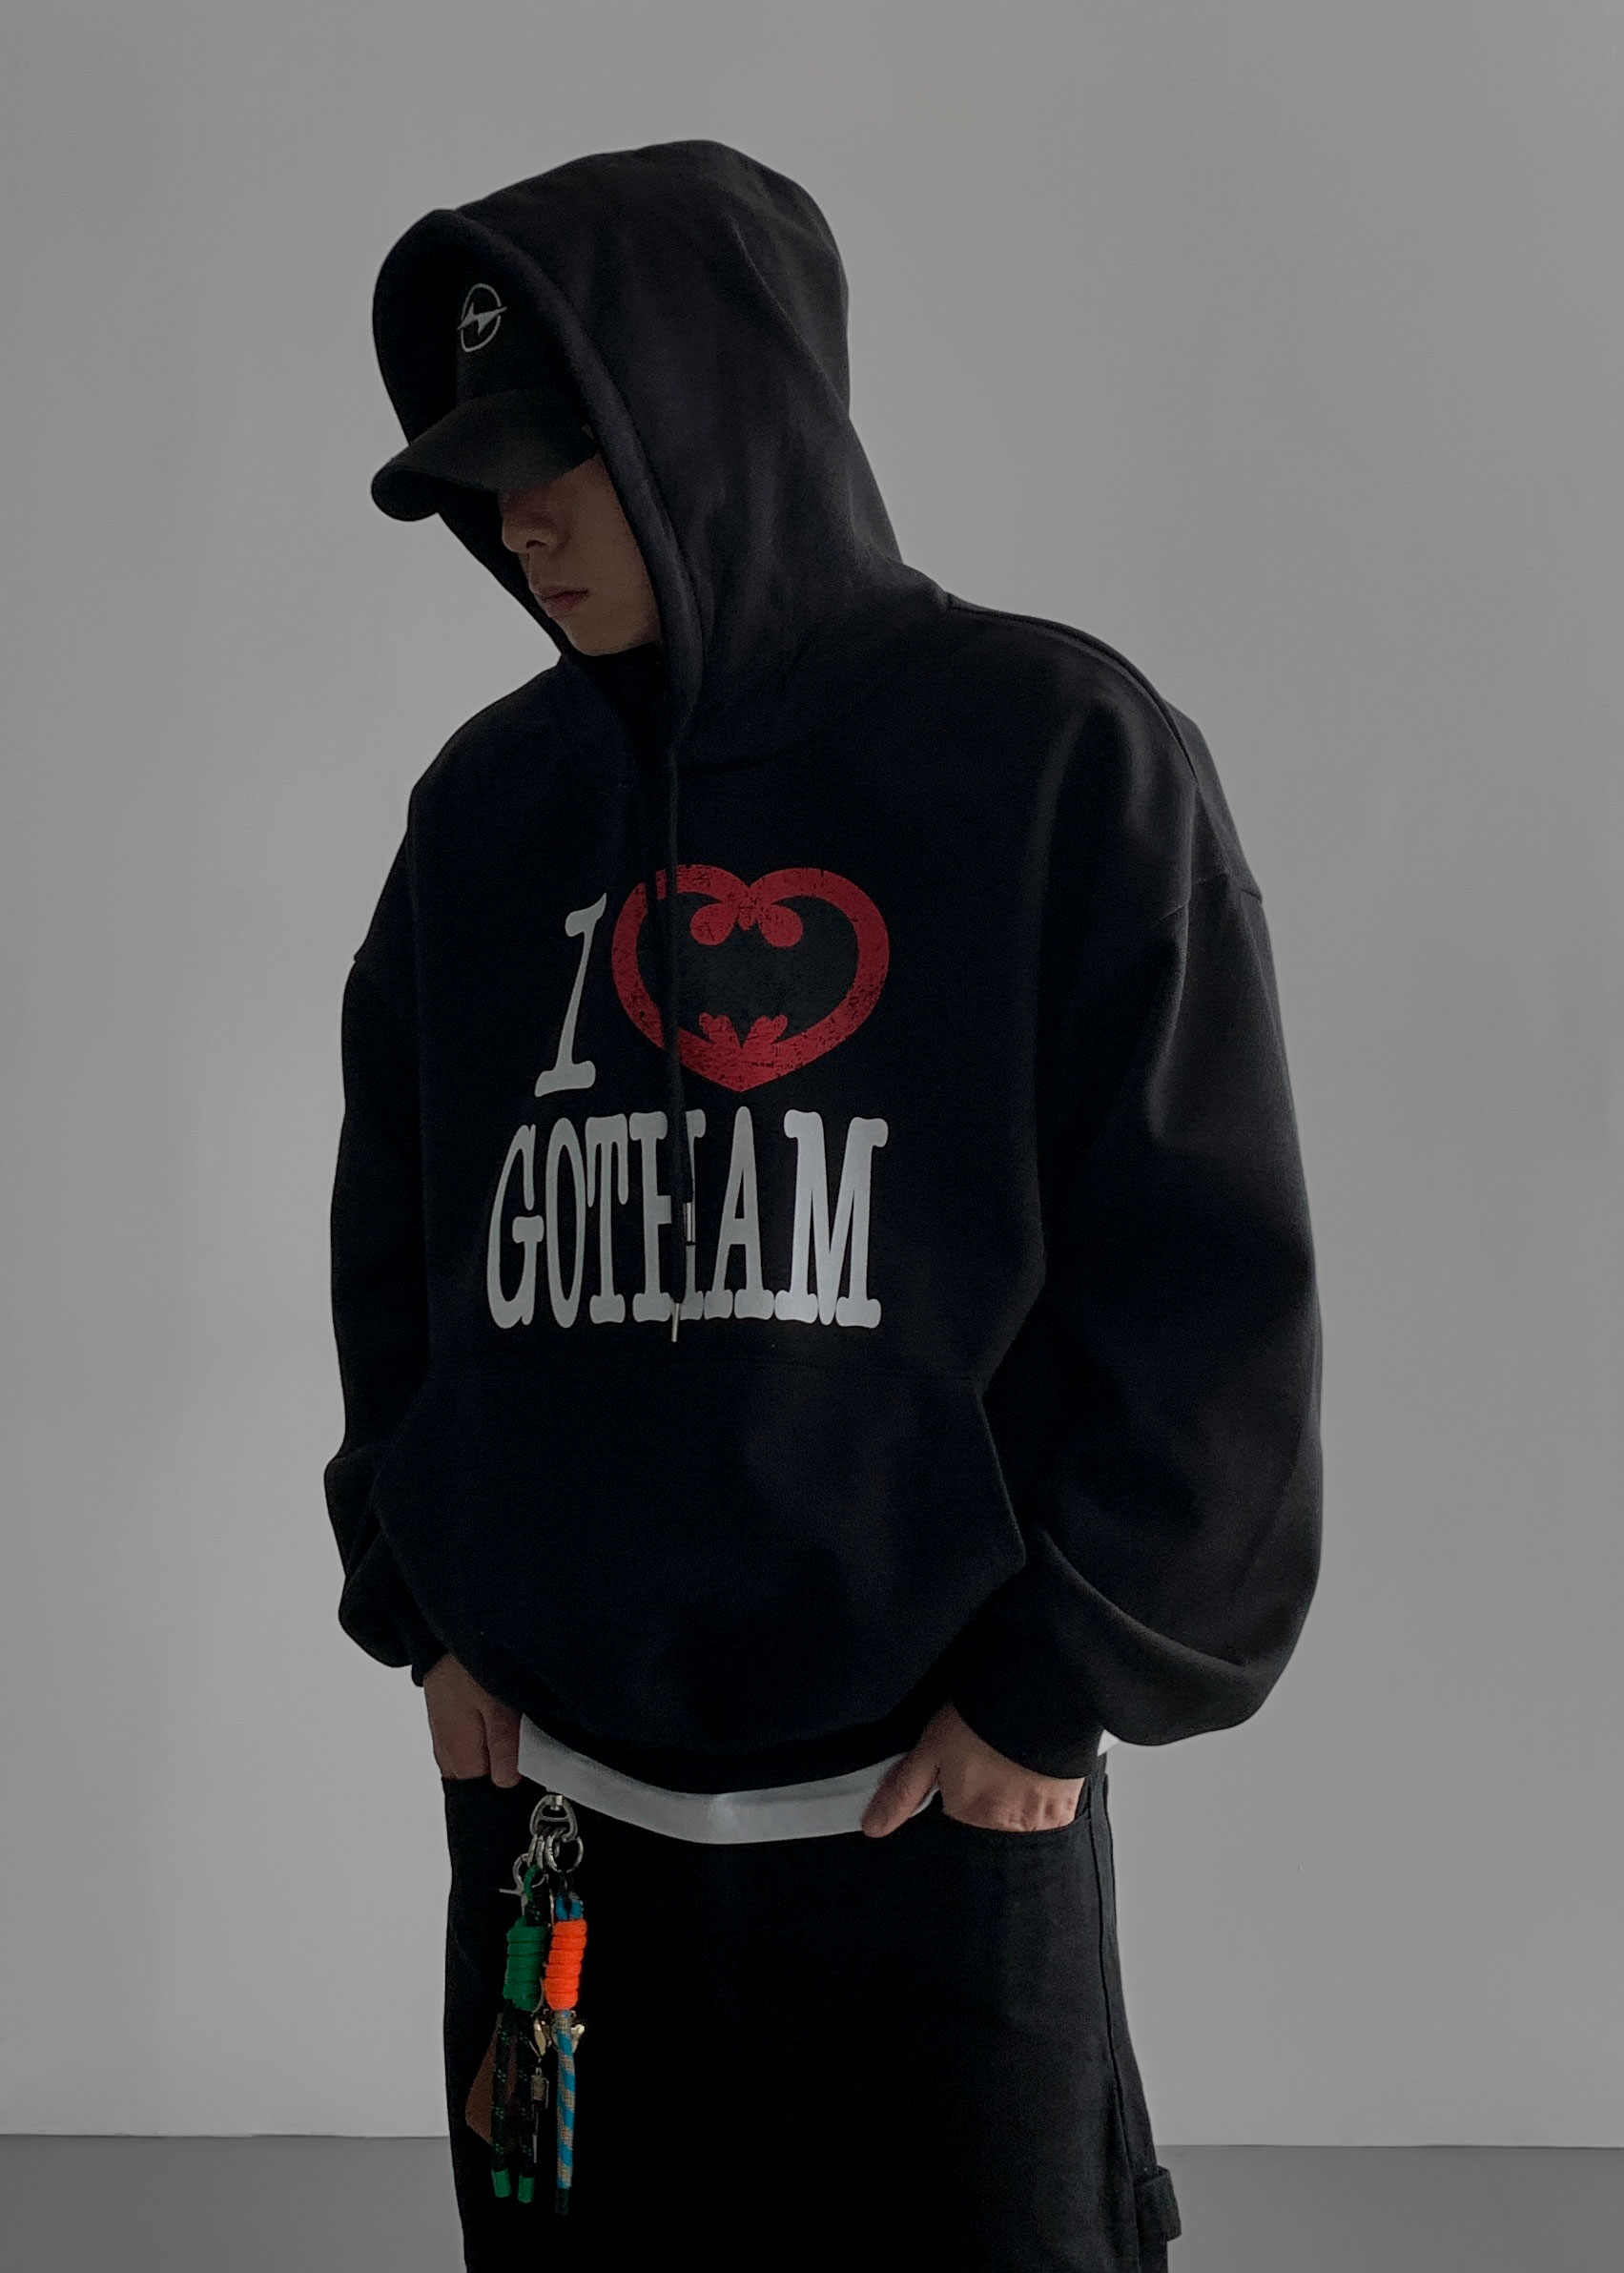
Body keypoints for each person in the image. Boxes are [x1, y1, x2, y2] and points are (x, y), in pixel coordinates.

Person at [325, 137, 1322, 2272]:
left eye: (561, 458)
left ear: (717, 411)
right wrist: (420, 1593)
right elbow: (395, 1236)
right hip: (557, 1847)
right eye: (485, 482)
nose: (520, 521)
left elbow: (1207, 1279)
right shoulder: (490, 816)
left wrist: (1061, 1683)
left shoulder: (1052, 757)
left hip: (923, 1840)